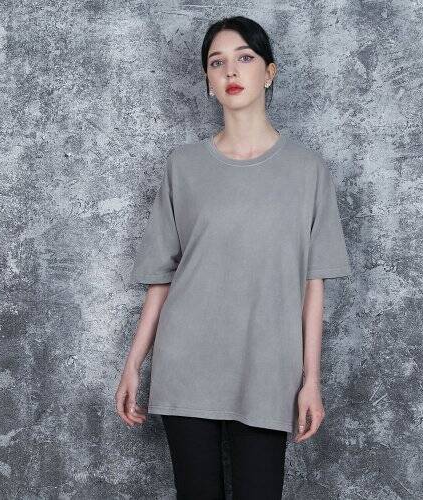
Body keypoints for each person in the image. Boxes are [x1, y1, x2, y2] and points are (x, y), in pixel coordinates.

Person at [115, 15, 352, 500]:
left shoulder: (308, 170)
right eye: (216, 62)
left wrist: (311, 380)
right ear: (208, 80)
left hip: (268, 368)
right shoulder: (183, 166)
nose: (230, 71)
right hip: (187, 363)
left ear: (269, 72)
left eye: (244, 57)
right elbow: (162, 277)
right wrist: (133, 363)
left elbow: (314, 285)